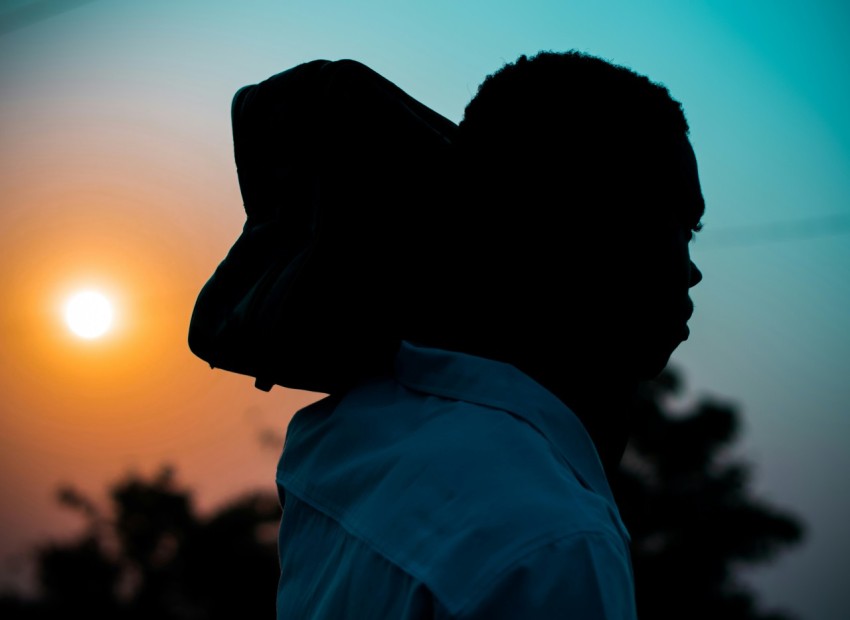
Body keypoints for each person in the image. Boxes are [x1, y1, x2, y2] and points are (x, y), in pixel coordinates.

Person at [275, 50, 704, 619]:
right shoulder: (553, 548)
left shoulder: (344, 437)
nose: (693, 269)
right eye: (684, 226)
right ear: (596, 227)